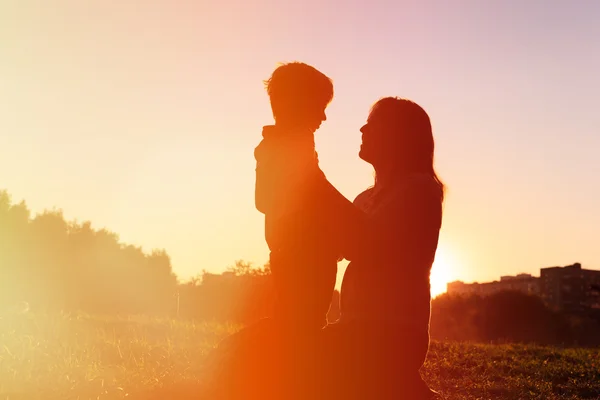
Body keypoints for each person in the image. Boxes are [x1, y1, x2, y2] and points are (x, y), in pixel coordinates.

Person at [319, 97, 444, 399]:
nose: (362, 129)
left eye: (373, 124)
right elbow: (335, 246)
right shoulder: (365, 197)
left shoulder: (420, 188)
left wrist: (315, 183)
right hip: (354, 329)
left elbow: (366, 242)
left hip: (392, 334)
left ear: (399, 135)